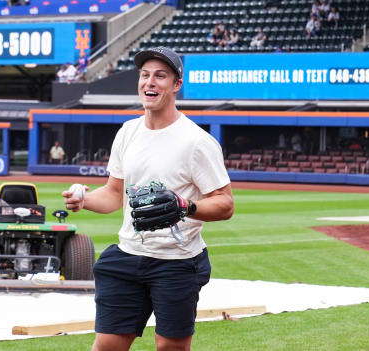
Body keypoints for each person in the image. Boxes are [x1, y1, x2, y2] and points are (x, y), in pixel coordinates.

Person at [62, 46, 234, 351]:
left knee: (171, 347)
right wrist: (84, 201)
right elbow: (114, 194)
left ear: (176, 84)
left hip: (176, 262)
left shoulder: (197, 142)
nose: (149, 82)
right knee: (107, 345)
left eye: (160, 76)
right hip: (128, 256)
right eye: (144, 75)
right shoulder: (128, 132)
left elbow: (225, 203)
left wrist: (186, 206)